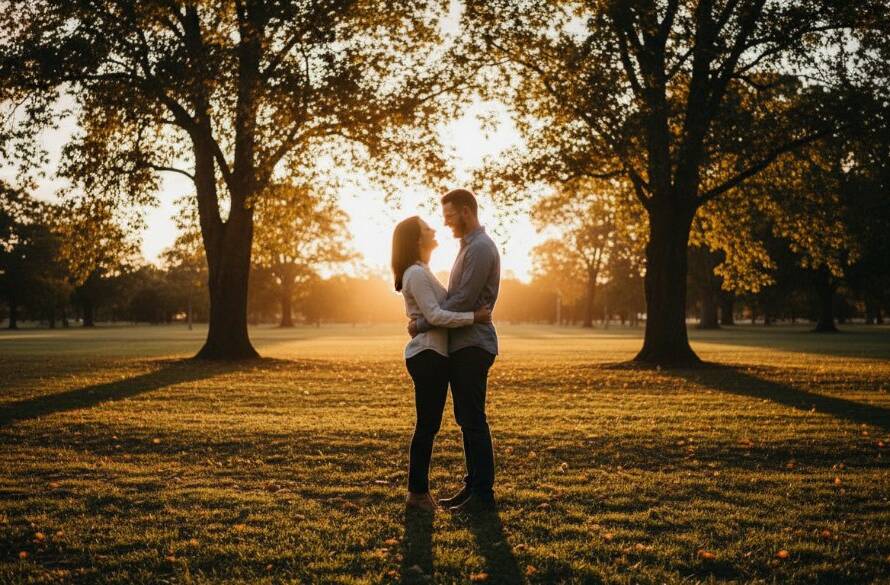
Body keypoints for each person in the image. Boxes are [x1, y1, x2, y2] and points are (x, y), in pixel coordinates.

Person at [409, 188, 501, 514]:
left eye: (449, 216)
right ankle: (473, 486)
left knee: (473, 419)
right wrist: (433, 312)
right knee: (467, 419)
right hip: (463, 343)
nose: (446, 223)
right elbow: (456, 296)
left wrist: (425, 319)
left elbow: (462, 299)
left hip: (474, 343)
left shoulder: (480, 249)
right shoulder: (467, 248)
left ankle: (483, 495)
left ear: (465, 211)